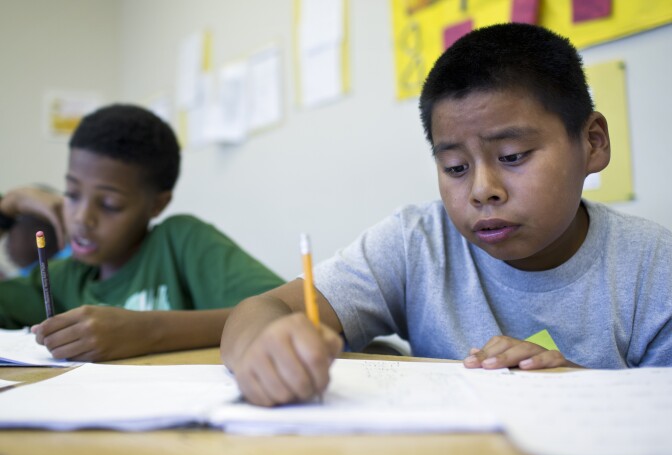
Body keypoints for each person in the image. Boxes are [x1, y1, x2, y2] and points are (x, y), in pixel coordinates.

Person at [220, 23, 672, 406]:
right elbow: (267, 307)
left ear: (592, 142)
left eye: (513, 156)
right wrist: (261, 345)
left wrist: (582, 389)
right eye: (455, 167)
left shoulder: (654, 270)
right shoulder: (417, 242)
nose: (482, 190)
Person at [0, 104, 283, 361]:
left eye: (110, 205)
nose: (82, 218)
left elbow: (289, 310)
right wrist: (7, 208)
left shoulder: (180, 242)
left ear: (158, 204)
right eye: (72, 194)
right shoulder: (63, 278)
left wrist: (150, 331)